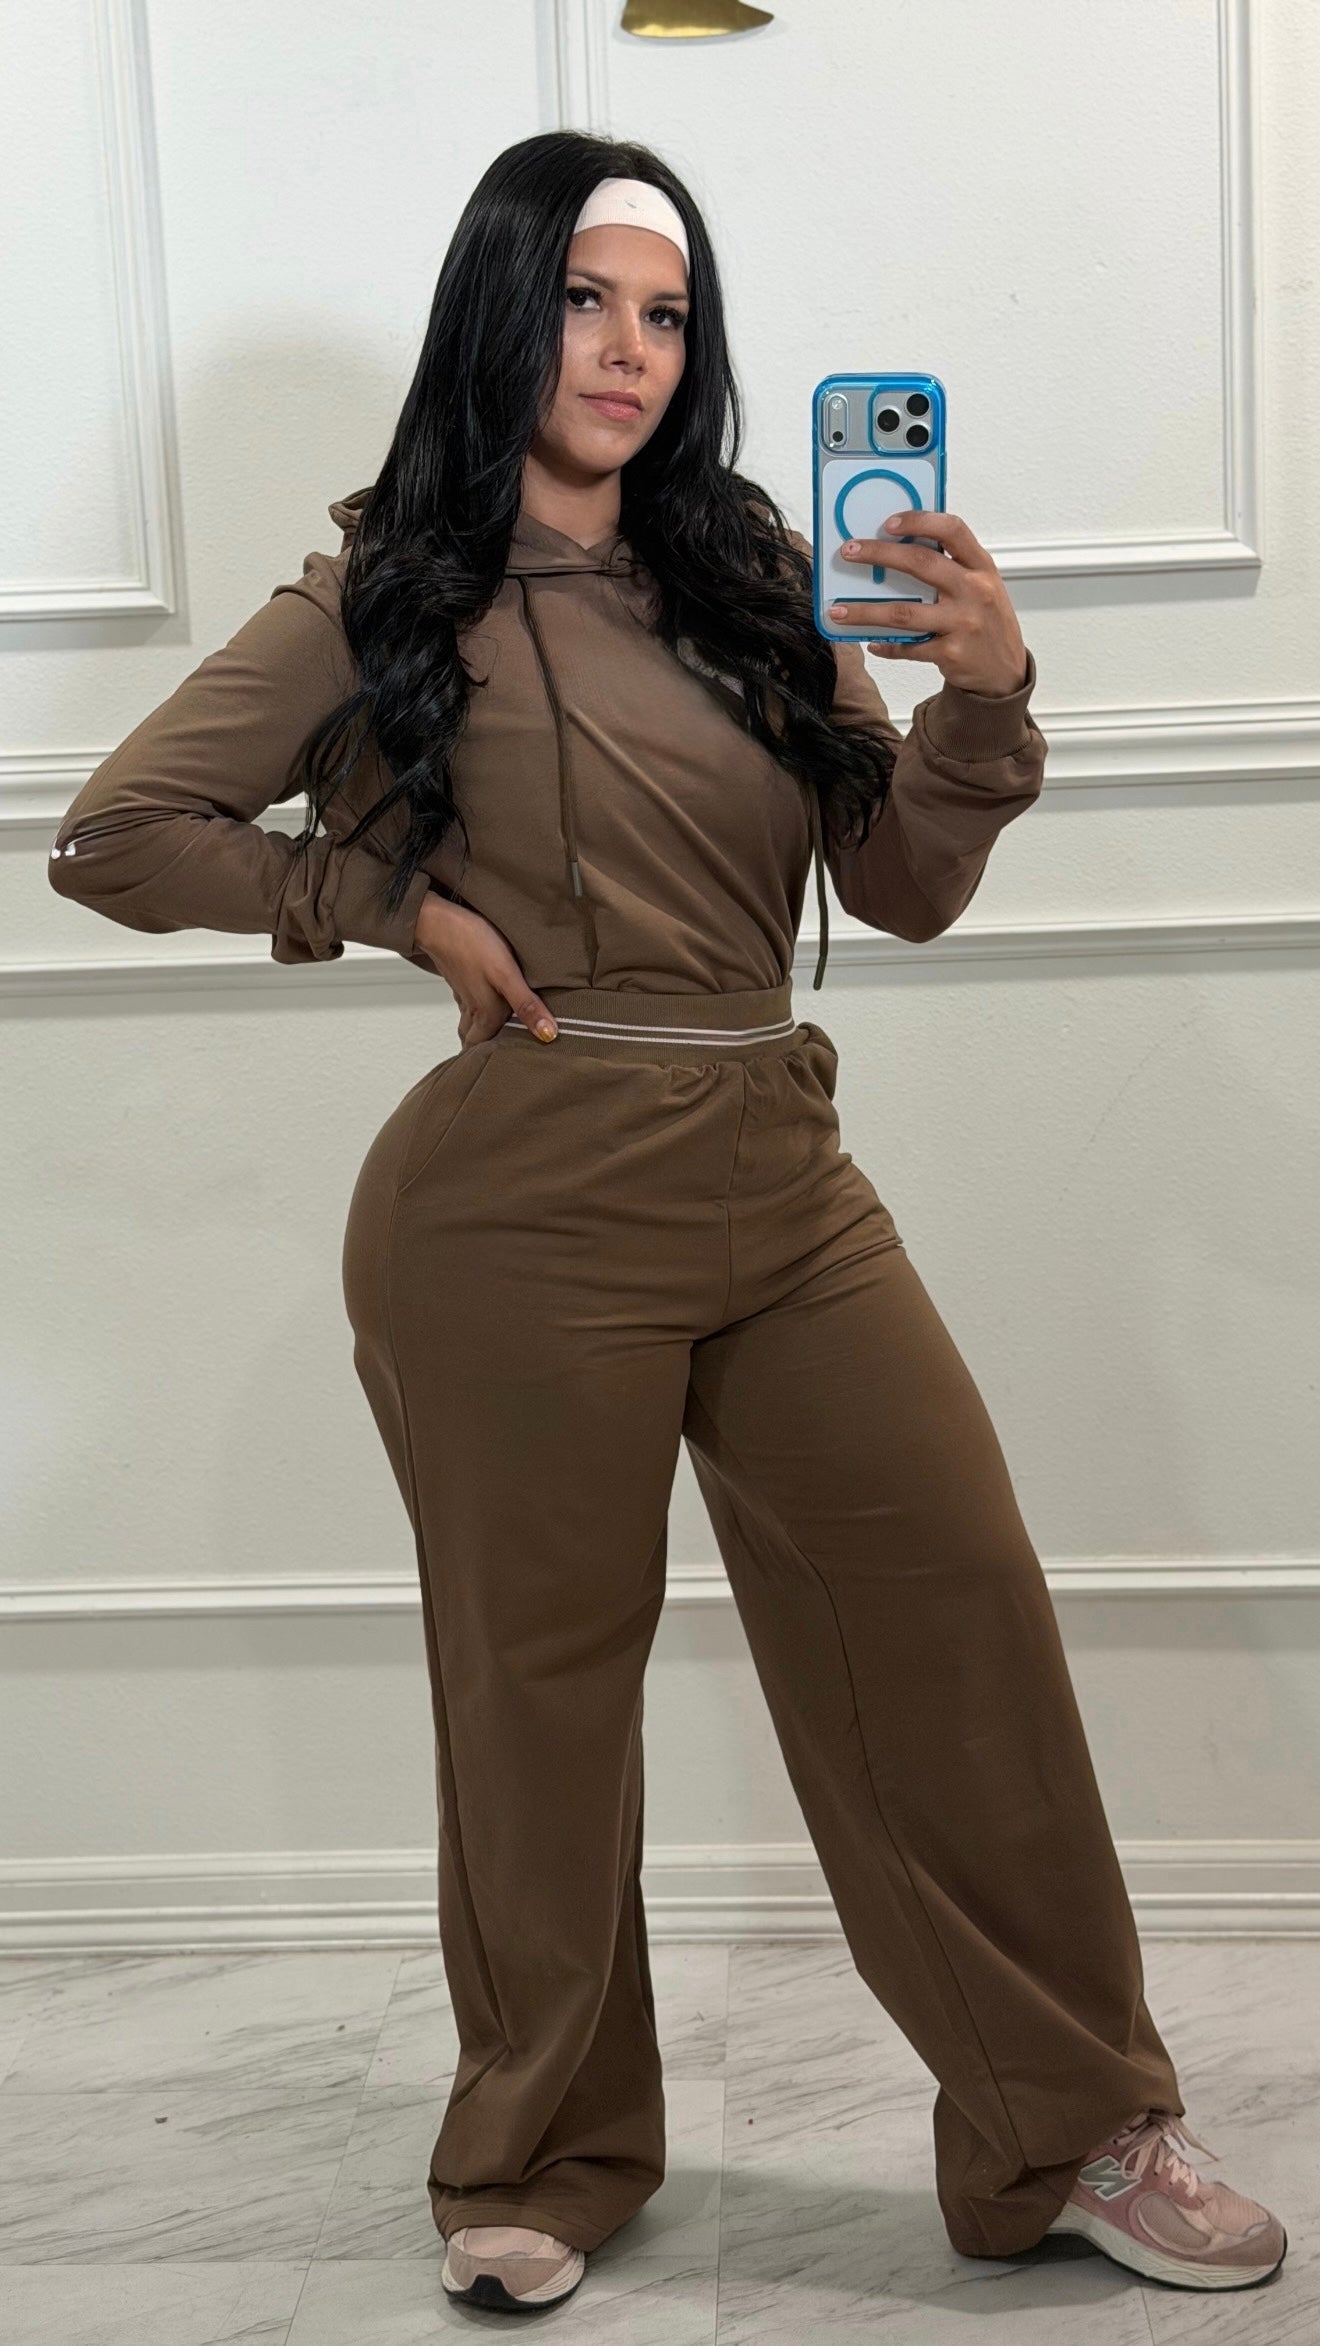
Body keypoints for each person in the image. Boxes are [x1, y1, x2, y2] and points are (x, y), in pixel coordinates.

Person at [47, 131, 1286, 2318]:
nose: (629, 348)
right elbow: (116, 831)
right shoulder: (377, 590)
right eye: (586, 298)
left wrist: (984, 698)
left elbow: (897, 883)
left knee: (959, 1614)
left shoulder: (753, 573)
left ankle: (1071, 2128)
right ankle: (538, 2152)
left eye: (669, 312)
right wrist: (382, 902)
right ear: (501, 307)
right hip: (515, 1201)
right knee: (541, 1690)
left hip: (779, 1173)